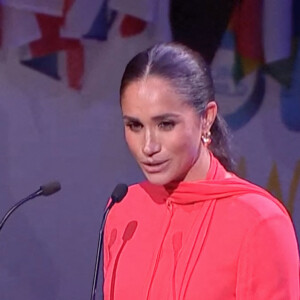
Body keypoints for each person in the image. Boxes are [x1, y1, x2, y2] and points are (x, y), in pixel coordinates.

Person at [103, 43, 299, 299]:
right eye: (135, 125)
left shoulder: (259, 221)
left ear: (206, 118)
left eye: (165, 124)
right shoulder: (123, 210)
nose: (148, 146)